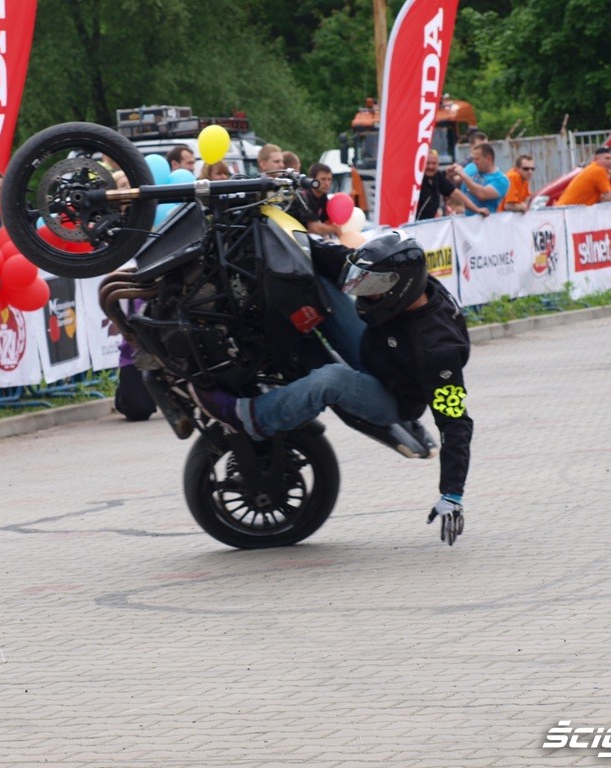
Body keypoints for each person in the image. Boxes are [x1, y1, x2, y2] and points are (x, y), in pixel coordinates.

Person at [190, 231, 472, 546]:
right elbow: (341, 262)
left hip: (392, 395)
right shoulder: (404, 280)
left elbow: (455, 421)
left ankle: (250, 417)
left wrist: (452, 493)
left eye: (373, 290)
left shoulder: (438, 351)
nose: (365, 293)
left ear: (399, 289)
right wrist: (282, 232)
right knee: (312, 280)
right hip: (374, 347)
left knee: (332, 379)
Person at [416, 150, 488, 220]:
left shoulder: (437, 176)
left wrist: (476, 209)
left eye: (434, 163)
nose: (430, 167)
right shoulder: (415, 179)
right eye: (427, 163)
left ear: (438, 164)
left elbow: (455, 193)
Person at [449, 143, 510, 215]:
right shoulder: (472, 167)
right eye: (473, 159)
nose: (474, 162)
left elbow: (482, 194)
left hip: (485, 219)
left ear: (488, 159)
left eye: (477, 159)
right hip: (464, 217)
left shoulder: (501, 180)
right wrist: (450, 175)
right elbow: (455, 183)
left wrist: (463, 175)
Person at [293, 162, 342, 238]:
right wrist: (334, 229)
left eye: (329, 179)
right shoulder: (305, 196)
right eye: (323, 179)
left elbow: (325, 222)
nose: (327, 183)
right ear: (312, 180)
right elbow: (313, 228)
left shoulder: (323, 197)